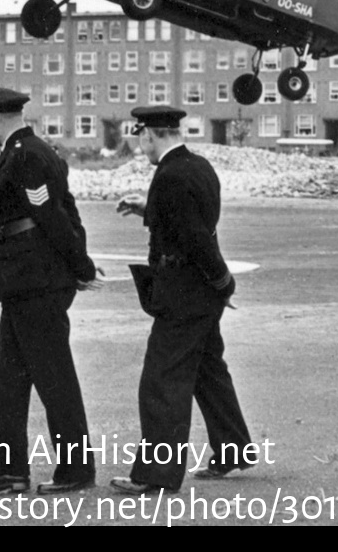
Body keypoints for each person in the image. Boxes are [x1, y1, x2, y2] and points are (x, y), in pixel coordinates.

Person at [110, 106, 254, 496]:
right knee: (208, 372)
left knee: (161, 381)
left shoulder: (170, 175)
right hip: (199, 293)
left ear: (150, 134)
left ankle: (155, 475)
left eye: (141, 139)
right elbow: (192, 217)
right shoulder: (199, 166)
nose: (141, 149)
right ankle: (232, 449)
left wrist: (223, 282)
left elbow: (194, 237)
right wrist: (148, 208)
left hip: (184, 293)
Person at [0, 87, 97, 497]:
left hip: (35, 279)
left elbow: (53, 215)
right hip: (24, 279)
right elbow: (66, 209)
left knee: (53, 376)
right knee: (8, 377)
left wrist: (81, 266)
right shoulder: (24, 150)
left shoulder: (27, 154)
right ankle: (10, 472)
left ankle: (75, 470)